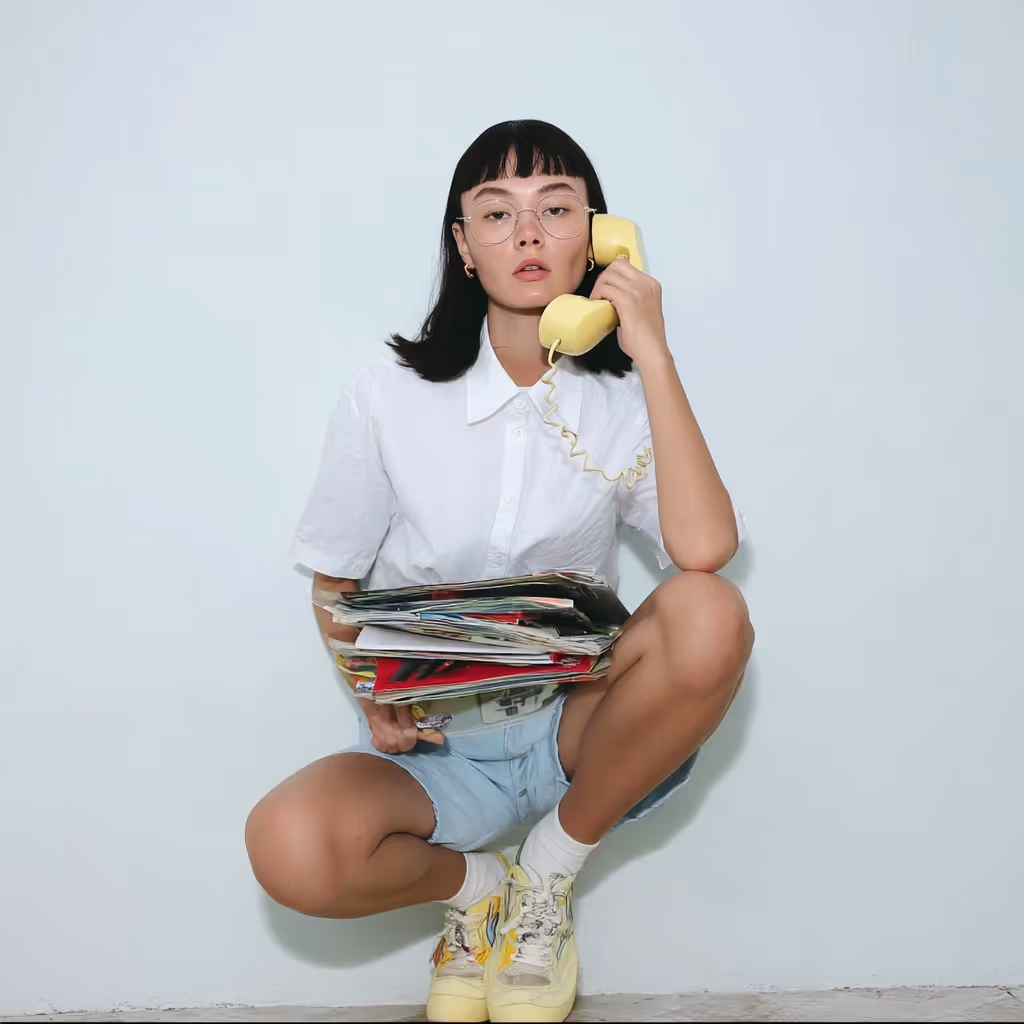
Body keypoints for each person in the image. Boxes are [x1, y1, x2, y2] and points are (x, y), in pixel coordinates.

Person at [245, 120, 754, 1023]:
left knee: (709, 609)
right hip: (440, 747)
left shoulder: (622, 403)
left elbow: (705, 550)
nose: (527, 234)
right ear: (464, 246)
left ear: (598, 236)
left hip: (577, 728)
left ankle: (546, 881)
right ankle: (481, 890)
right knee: (288, 845)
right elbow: (335, 580)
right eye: (497, 213)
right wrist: (368, 685)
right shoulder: (387, 395)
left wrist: (655, 356)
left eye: (556, 209)